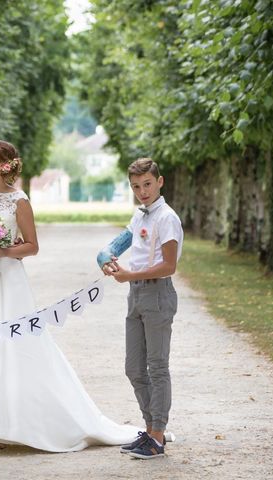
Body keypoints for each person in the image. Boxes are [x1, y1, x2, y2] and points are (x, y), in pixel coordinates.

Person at [0, 139, 140, 452]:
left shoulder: (20, 200)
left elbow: (32, 245)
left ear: (3, 165)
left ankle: (6, 428)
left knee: (11, 347)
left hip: (8, 282)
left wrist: (4, 250)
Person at [101, 157, 183, 459]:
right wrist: (110, 262)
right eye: (136, 186)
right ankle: (150, 429)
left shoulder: (166, 218)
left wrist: (129, 275)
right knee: (134, 367)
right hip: (136, 295)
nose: (142, 191)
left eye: (147, 184)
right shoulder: (140, 216)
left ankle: (158, 436)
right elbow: (125, 246)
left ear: (159, 182)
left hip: (157, 295)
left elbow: (169, 265)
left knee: (157, 367)